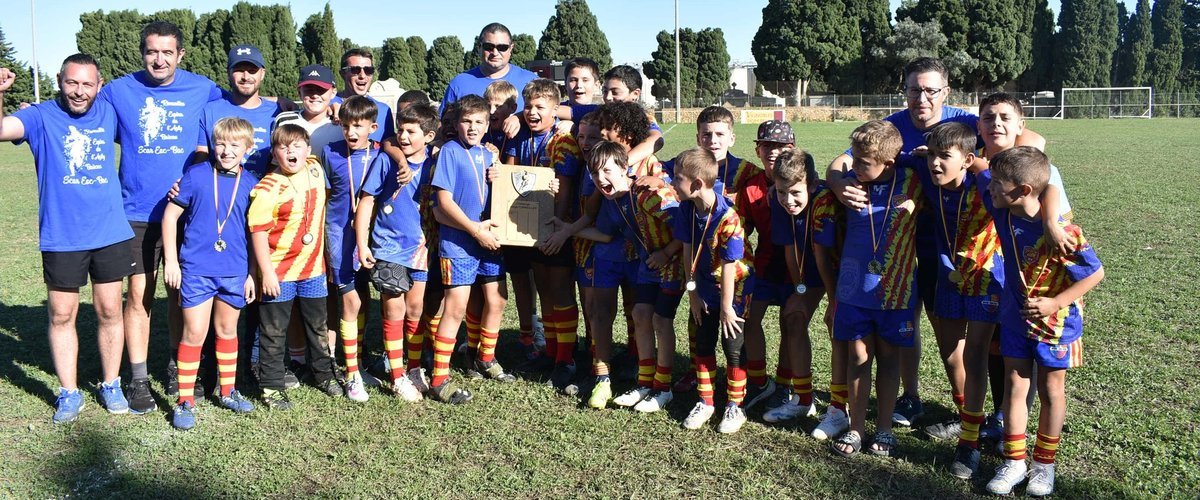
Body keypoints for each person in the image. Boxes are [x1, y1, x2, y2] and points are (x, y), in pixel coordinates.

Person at [825, 57, 1046, 429]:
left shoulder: (965, 121)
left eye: (930, 90)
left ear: (946, 91)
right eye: (915, 89)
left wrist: (976, 165)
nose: (922, 98)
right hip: (917, 247)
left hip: (977, 251)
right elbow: (842, 161)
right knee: (916, 326)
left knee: (987, 340)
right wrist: (837, 184)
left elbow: (1033, 144)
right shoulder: (892, 126)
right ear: (905, 90)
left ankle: (1000, 415)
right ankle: (916, 399)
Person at [0, 55, 134, 423]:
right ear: (60, 80)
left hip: (109, 232)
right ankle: (69, 392)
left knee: (109, 311)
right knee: (62, 314)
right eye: (72, 83)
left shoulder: (109, 112)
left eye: (87, 84)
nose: (79, 91)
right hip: (62, 235)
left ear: (99, 84)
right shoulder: (40, 117)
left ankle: (111, 383)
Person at [101, 20, 223, 414]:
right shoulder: (119, 91)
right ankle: (138, 379)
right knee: (138, 295)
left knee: (180, 293)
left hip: (187, 212)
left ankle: (176, 364)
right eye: (152, 51)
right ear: (143, 53)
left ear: (180, 55)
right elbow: (81, 116)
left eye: (167, 52)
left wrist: (286, 105)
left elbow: (238, 108)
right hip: (136, 212)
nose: (159, 59)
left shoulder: (203, 88)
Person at [977, 147, 1103, 497]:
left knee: (1051, 391)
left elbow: (1096, 273)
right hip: (1015, 318)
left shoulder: (1065, 232)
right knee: (1016, 387)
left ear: (1022, 191)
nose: (990, 189)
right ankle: (1014, 461)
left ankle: (1044, 465)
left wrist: (1056, 303)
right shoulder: (1003, 210)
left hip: (1057, 324)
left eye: (997, 185)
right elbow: (987, 172)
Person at [902, 121, 1004, 473]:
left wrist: (978, 164)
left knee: (975, 356)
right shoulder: (927, 173)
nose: (935, 164)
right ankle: (968, 417)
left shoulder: (986, 183)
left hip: (986, 281)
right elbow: (877, 156)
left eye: (945, 157)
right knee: (950, 354)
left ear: (967, 160)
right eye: (932, 155)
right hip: (948, 280)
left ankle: (969, 444)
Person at [829, 120, 923, 458]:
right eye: (853, 159)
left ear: (889, 162)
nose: (854, 166)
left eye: (862, 162)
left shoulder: (914, 180)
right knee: (857, 357)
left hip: (895, 291)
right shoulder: (849, 184)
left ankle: (884, 427)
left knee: (888, 358)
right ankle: (855, 428)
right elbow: (834, 170)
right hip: (854, 291)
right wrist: (838, 179)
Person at [162, 117, 259, 429]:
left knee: (228, 332)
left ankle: (228, 390)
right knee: (193, 333)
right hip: (197, 270)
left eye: (234, 145)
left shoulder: (251, 183)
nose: (226, 150)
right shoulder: (195, 175)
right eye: (221, 144)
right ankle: (185, 399)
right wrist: (172, 262)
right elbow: (170, 217)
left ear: (248, 147)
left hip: (233, 271)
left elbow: (255, 232)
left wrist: (252, 273)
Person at [578, 140, 679, 413]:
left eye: (608, 171)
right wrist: (565, 231)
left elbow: (684, 224)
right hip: (651, 265)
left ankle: (663, 387)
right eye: (595, 174)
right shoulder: (615, 199)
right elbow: (607, 233)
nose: (601, 179)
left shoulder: (648, 190)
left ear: (625, 167)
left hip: (674, 263)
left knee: (660, 321)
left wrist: (667, 253)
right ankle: (642, 383)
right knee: (641, 316)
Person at [248, 124, 342, 409]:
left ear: (308, 150)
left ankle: (324, 374)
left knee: (318, 325)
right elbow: (258, 233)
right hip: (279, 273)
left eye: (297, 146)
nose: (291, 151)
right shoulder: (266, 188)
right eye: (283, 147)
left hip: (313, 269)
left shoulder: (315, 168)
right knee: (274, 332)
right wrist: (265, 273)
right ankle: (272, 386)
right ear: (274, 154)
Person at [355, 103, 439, 402]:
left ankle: (414, 368)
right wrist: (363, 244)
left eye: (411, 131)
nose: (403, 136)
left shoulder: (436, 162)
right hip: (389, 246)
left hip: (422, 247)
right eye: (400, 130)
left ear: (428, 136)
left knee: (416, 309)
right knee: (394, 309)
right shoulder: (385, 161)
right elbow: (366, 201)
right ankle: (396, 375)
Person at [501, 79, 582, 392]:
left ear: (554, 110)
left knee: (560, 291)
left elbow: (565, 187)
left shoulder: (563, 140)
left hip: (555, 228)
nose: (532, 113)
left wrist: (558, 226)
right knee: (545, 289)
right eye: (529, 107)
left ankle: (566, 359)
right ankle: (550, 352)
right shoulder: (522, 136)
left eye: (540, 108)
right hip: (530, 228)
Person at [428, 94, 507, 404]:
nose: (472, 128)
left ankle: (485, 358)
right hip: (460, 242)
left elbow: (503, 193)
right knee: (456, 308)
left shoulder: (488, 155)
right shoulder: (449, 152)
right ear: (456, 124)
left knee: (497, 300)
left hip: (490, 239)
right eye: (466, 121)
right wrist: (475, 230)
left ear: (488, 125)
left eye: (479, 122)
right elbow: (443, 203)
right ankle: (438, 378)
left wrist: (500, 171)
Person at [673, 148, 755, 433]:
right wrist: (693, 293)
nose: (672, 184)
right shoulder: (686, 208)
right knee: (703, 341)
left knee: (733, 346)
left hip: (735, 288)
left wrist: (727, 307)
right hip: (704, 285)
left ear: (696, 184)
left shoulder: (729, 217)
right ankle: (706, 401)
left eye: (677, 179)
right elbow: (687, 252)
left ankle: (735, 406)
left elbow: (730, 266)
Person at [322, 96, 386, 402]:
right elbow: (324, 197)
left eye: (358, 126)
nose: (351, 132)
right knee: (348, 301)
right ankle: (350, 374)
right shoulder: (329, 152)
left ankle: (357, 360)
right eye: (346, 125)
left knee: (364, 297)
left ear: (372, 127)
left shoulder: (382, 154)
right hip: (339, 236)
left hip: (374, 237)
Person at [762, 147, 828, 424]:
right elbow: (790, 249)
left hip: (841, 270)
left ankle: (841, 405)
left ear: (812, 184)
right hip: (809, 271)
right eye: (781, 192)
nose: (788, 200)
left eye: (796, 193)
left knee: (843, 331)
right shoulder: (779, 202)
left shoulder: (829, 199)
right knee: (793, 316)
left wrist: (834, 297)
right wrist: (800, 288)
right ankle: (803, 398)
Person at [195, 44, 283, 178]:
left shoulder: (278, 112)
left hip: (263, 193)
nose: (246, 76)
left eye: (252, 70)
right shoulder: (210, 111)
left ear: (262, 74)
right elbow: (201, 155)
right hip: (220, 193)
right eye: (239, 70)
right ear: (228, 73)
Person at [442, 23, 538, 113]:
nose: (495, 53)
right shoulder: (459, 84)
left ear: (511, 48)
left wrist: (519, 117)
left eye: (502, 47)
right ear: (479, 47)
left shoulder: (531, 82)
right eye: (489, 47)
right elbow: (443, 124)